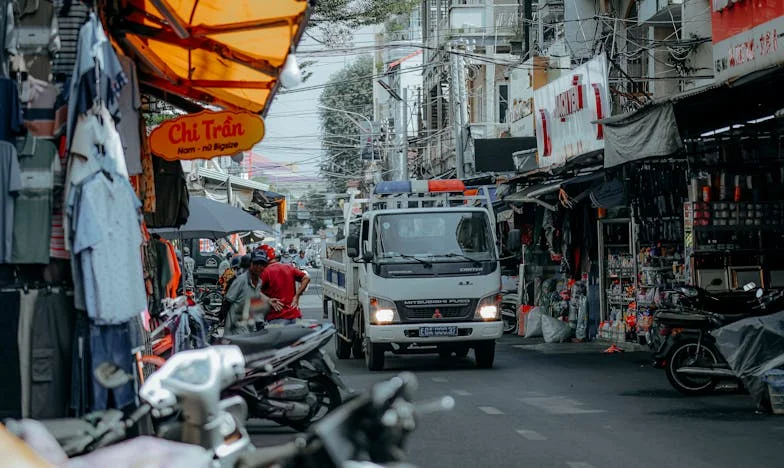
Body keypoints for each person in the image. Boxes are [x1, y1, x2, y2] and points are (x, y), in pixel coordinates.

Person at [222, 251, 283, 335]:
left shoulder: (259, 282)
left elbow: (255, 295)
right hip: (235, 330)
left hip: (248, 328)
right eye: (256, 264)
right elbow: (227, 302)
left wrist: (268, 300)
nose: (259, 267)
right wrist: (223, 321)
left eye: (262, 264)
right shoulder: (241, 281)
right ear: (251, 264)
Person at [261, 249, 311, 325]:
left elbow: (253, 290)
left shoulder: (265, 272)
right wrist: (297, 296)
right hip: (294, 315)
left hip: (276, 317)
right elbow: (306, 278)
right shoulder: (288, 267)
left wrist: (268, 300)